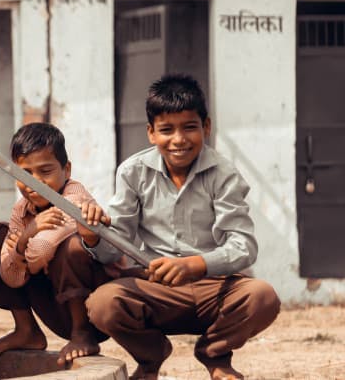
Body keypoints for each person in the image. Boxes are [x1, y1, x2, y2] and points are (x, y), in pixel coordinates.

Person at [83, 74, 281, 380]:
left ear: (207, 127)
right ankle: (150, 357)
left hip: (214, 285)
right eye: (166, 130)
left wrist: (197, 264)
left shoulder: (224, 174)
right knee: (102, 304)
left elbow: (243, 246)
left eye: (190, 127)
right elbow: (115, 247)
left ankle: (215, 356)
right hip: (155, 286)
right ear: (151, 133)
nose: (179, 139)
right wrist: (93, 238)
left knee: (263, 297)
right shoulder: (132, 172)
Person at [0, 123, 115, 368]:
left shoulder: (74, 196)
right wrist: (23, 240)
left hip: (95, 310)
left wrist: (22, 253)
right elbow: (10, 278)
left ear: (67, 169)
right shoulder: (21, 209)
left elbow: (41, 249)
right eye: (25, 173)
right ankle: (26, 331)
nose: (35, 183)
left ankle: (81, 334)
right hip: (54, 300)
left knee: (70, 246)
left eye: (45, 171)